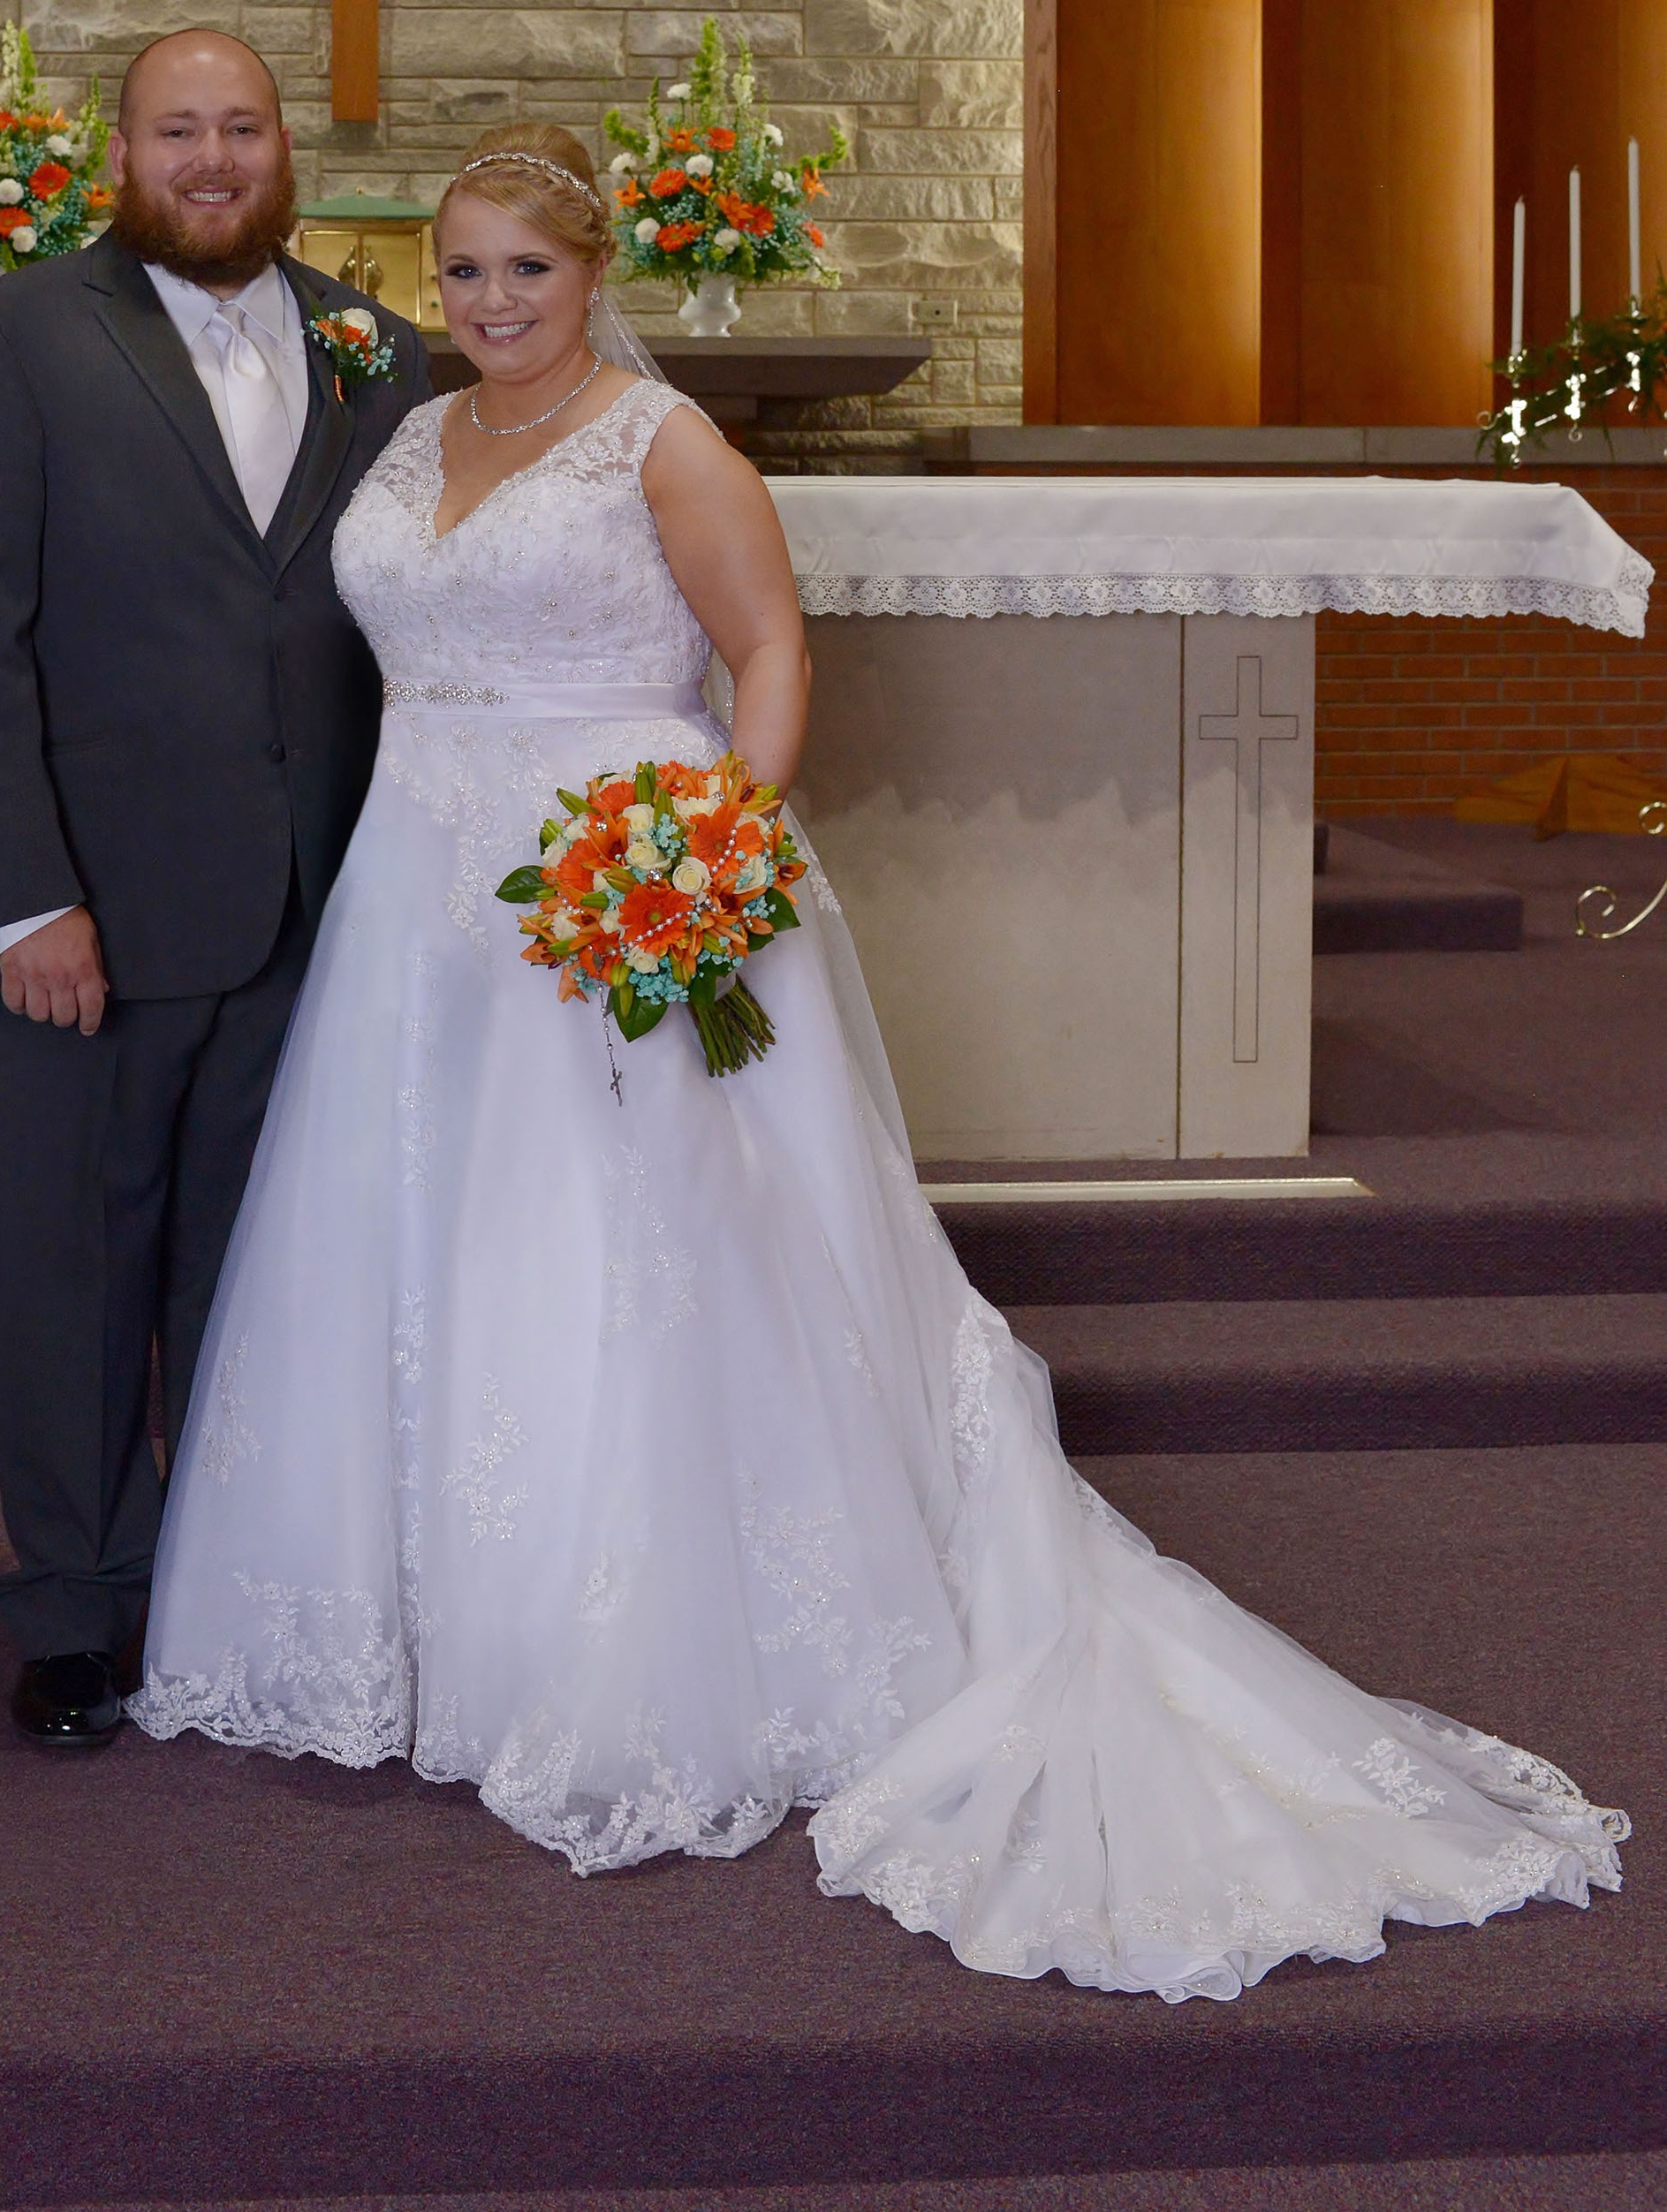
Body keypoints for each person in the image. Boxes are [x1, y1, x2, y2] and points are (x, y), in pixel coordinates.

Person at [131, 120, 1628, 1997]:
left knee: (621, 1249)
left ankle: (623, 1641)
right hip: (417, 900)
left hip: (618, 881)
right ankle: (421, 1625)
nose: (493, 300)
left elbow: (767, 656)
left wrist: (706, 863)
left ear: (593, 274)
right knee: (428, 1233)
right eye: (466, 269)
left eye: (529, 267)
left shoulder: (667, 442)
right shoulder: (417, 437)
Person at [0, 29, 428, 1751]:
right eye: (177, 129)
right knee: (77, 1275)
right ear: (118, 153)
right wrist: (20, 895)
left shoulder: (380, 347)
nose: (212, 158)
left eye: (242, 127)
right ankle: (75, 1608)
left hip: (313, 907)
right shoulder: (10, 337)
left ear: (285, 148)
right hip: (89, 916)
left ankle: (234, 1591)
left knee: (259, 1277)